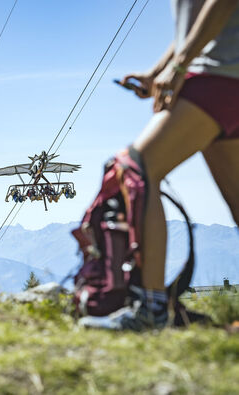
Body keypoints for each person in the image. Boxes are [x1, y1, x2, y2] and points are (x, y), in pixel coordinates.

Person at [85, 0, 239, 330]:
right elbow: (195, 22)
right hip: (223, 73)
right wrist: (160, 70)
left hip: (218, 75)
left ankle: (150, 309)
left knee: (135, 169)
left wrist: (181, 66)